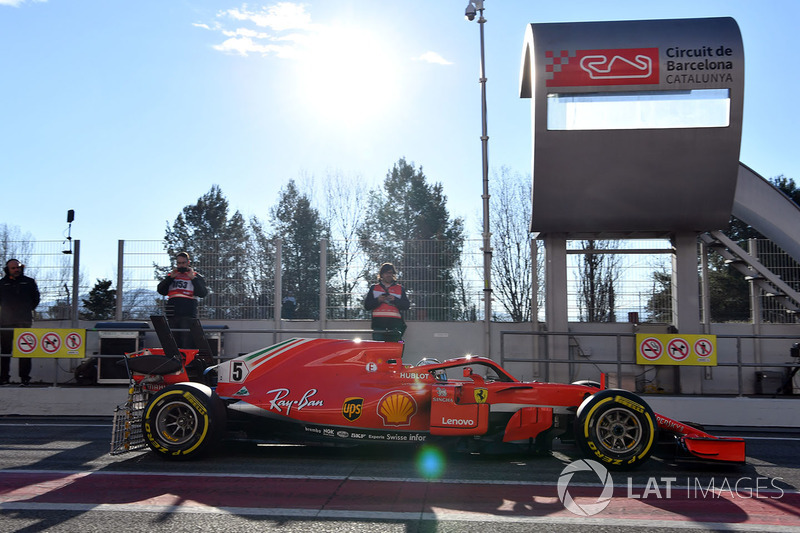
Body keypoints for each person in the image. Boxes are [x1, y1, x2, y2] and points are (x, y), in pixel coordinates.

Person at [0, 259, 40, 386]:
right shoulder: (2, 283)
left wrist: (26, 309)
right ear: (7, 269)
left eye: (18, 267)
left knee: (25, 350)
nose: (16, 270)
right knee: (5, 352)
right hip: (5, 322)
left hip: (24, 321)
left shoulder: (29, 282)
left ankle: (24, 379)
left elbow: (36, 299)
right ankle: (4, 378)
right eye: (13, 268)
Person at [156, 252, 208, 348]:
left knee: (186, 342)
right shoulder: (171, 276)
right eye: (179, 263)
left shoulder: (195, 276)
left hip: (188, 314)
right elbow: (161, 290)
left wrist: (193, 278)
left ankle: (187, 362)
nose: (181, 265)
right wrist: (170, 278)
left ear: (188, 262)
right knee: (173, 342)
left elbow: (203, 293)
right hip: (172, 313)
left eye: (183, 263)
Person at [364, 263, 410, 341]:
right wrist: (378, 300)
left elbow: (406, 306)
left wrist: (395, 300)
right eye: (386, 273)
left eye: (391, 273)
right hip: (378, 325)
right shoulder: (374, 288)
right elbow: (367, 306)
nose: (389, 275)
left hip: (395, 325)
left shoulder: (399, 288)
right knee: (379, 349)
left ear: (393, 274)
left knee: (394, 350)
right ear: (381, 274)